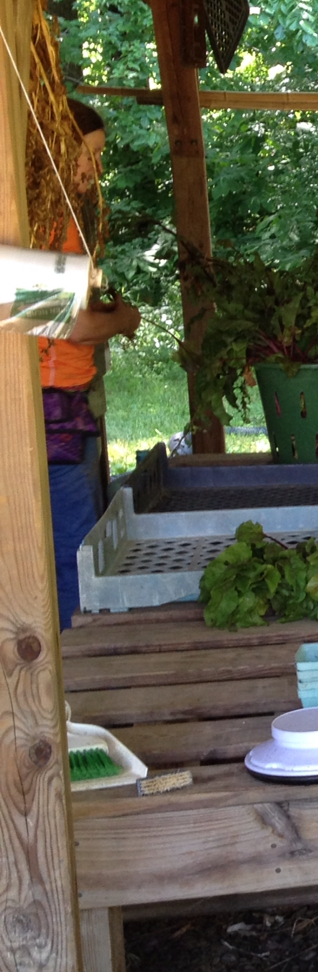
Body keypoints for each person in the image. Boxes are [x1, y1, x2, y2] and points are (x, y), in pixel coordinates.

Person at [39, 101, 141, 627]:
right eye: (90, 155)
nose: (95, 170)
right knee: (72, 561)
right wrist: (121, 320)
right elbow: (66, 324)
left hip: (66, 410)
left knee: (77, 552)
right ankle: (71, 675)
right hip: (46, 417)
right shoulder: (37, 220)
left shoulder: (55, 217)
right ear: (57, 145)